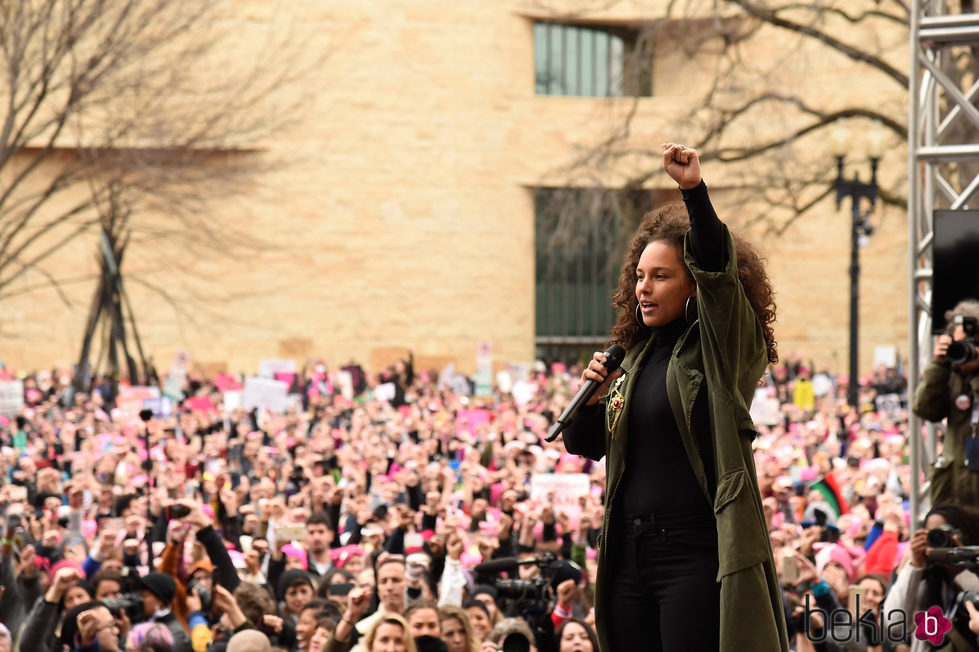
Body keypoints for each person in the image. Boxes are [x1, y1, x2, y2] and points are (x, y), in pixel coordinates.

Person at [560, 143, 787, 651]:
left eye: (661, 276)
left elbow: (720, 277)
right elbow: (586, 444)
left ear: (693, 286)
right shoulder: (631, 358)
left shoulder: (718, 352)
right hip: (626, 554)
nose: (644, 287)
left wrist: (693, 193)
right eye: (639, 276)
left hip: (693, 553)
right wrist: (591, 399)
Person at [913, 299, 979, 506]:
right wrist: (939, 366)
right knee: (937, 528)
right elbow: (925, 409)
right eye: (961, 344)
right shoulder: (948, 373)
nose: (967, 350)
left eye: (974, 343)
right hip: (955, 491)